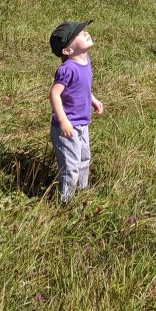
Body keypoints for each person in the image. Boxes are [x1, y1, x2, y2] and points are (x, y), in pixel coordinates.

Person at [48, 20, 103, 201]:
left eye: (83, 30)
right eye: (78, 34)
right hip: (68, 127)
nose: (85, 33)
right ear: (68, 51)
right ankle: (65, 202)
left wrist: (93, 99)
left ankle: (82, 192)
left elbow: (82, 87)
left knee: (84, 159)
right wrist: (63, 120)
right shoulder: (67, 69)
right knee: (70, 165)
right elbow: (54, 95)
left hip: (82, 123)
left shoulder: (85, 61)